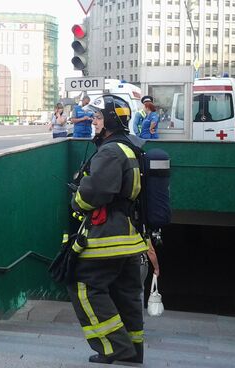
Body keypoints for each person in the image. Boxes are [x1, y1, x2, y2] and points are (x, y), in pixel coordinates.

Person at [67, 94, 149, 364]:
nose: (94, 120)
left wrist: (77, 199)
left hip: (107, 236)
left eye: (98, 116)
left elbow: (96, 192)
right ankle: (134, 350)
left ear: (111, 120)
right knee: (127, 294)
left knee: (84, 287)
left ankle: (115, 347)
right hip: (129, 237)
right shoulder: (130, 147)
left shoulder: (111, 151)